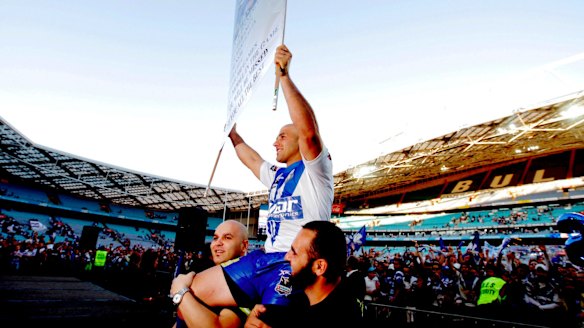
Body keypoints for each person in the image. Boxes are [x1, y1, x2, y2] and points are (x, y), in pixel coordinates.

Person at [171, 44, 334, 325]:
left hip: (291, 266)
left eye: (283, 136)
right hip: (261, 259)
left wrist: (283, 76)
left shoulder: (316, 172)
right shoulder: (277, 175)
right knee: (191, 293)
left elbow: (308, 132)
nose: (276, 141)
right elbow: (252, 159)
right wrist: (233, 135)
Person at [244, 221, 363, 327]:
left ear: (319, 267)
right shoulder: (299, 298)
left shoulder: (344, 316)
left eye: (294, 252)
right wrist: (257, 317)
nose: (286, 256)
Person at [170, 220, 250, 328]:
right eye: (215, 238)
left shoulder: (243, 286)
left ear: (244, 246)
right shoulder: (205, 276)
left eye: (227, 237)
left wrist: (179, 291)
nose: (218, 242)